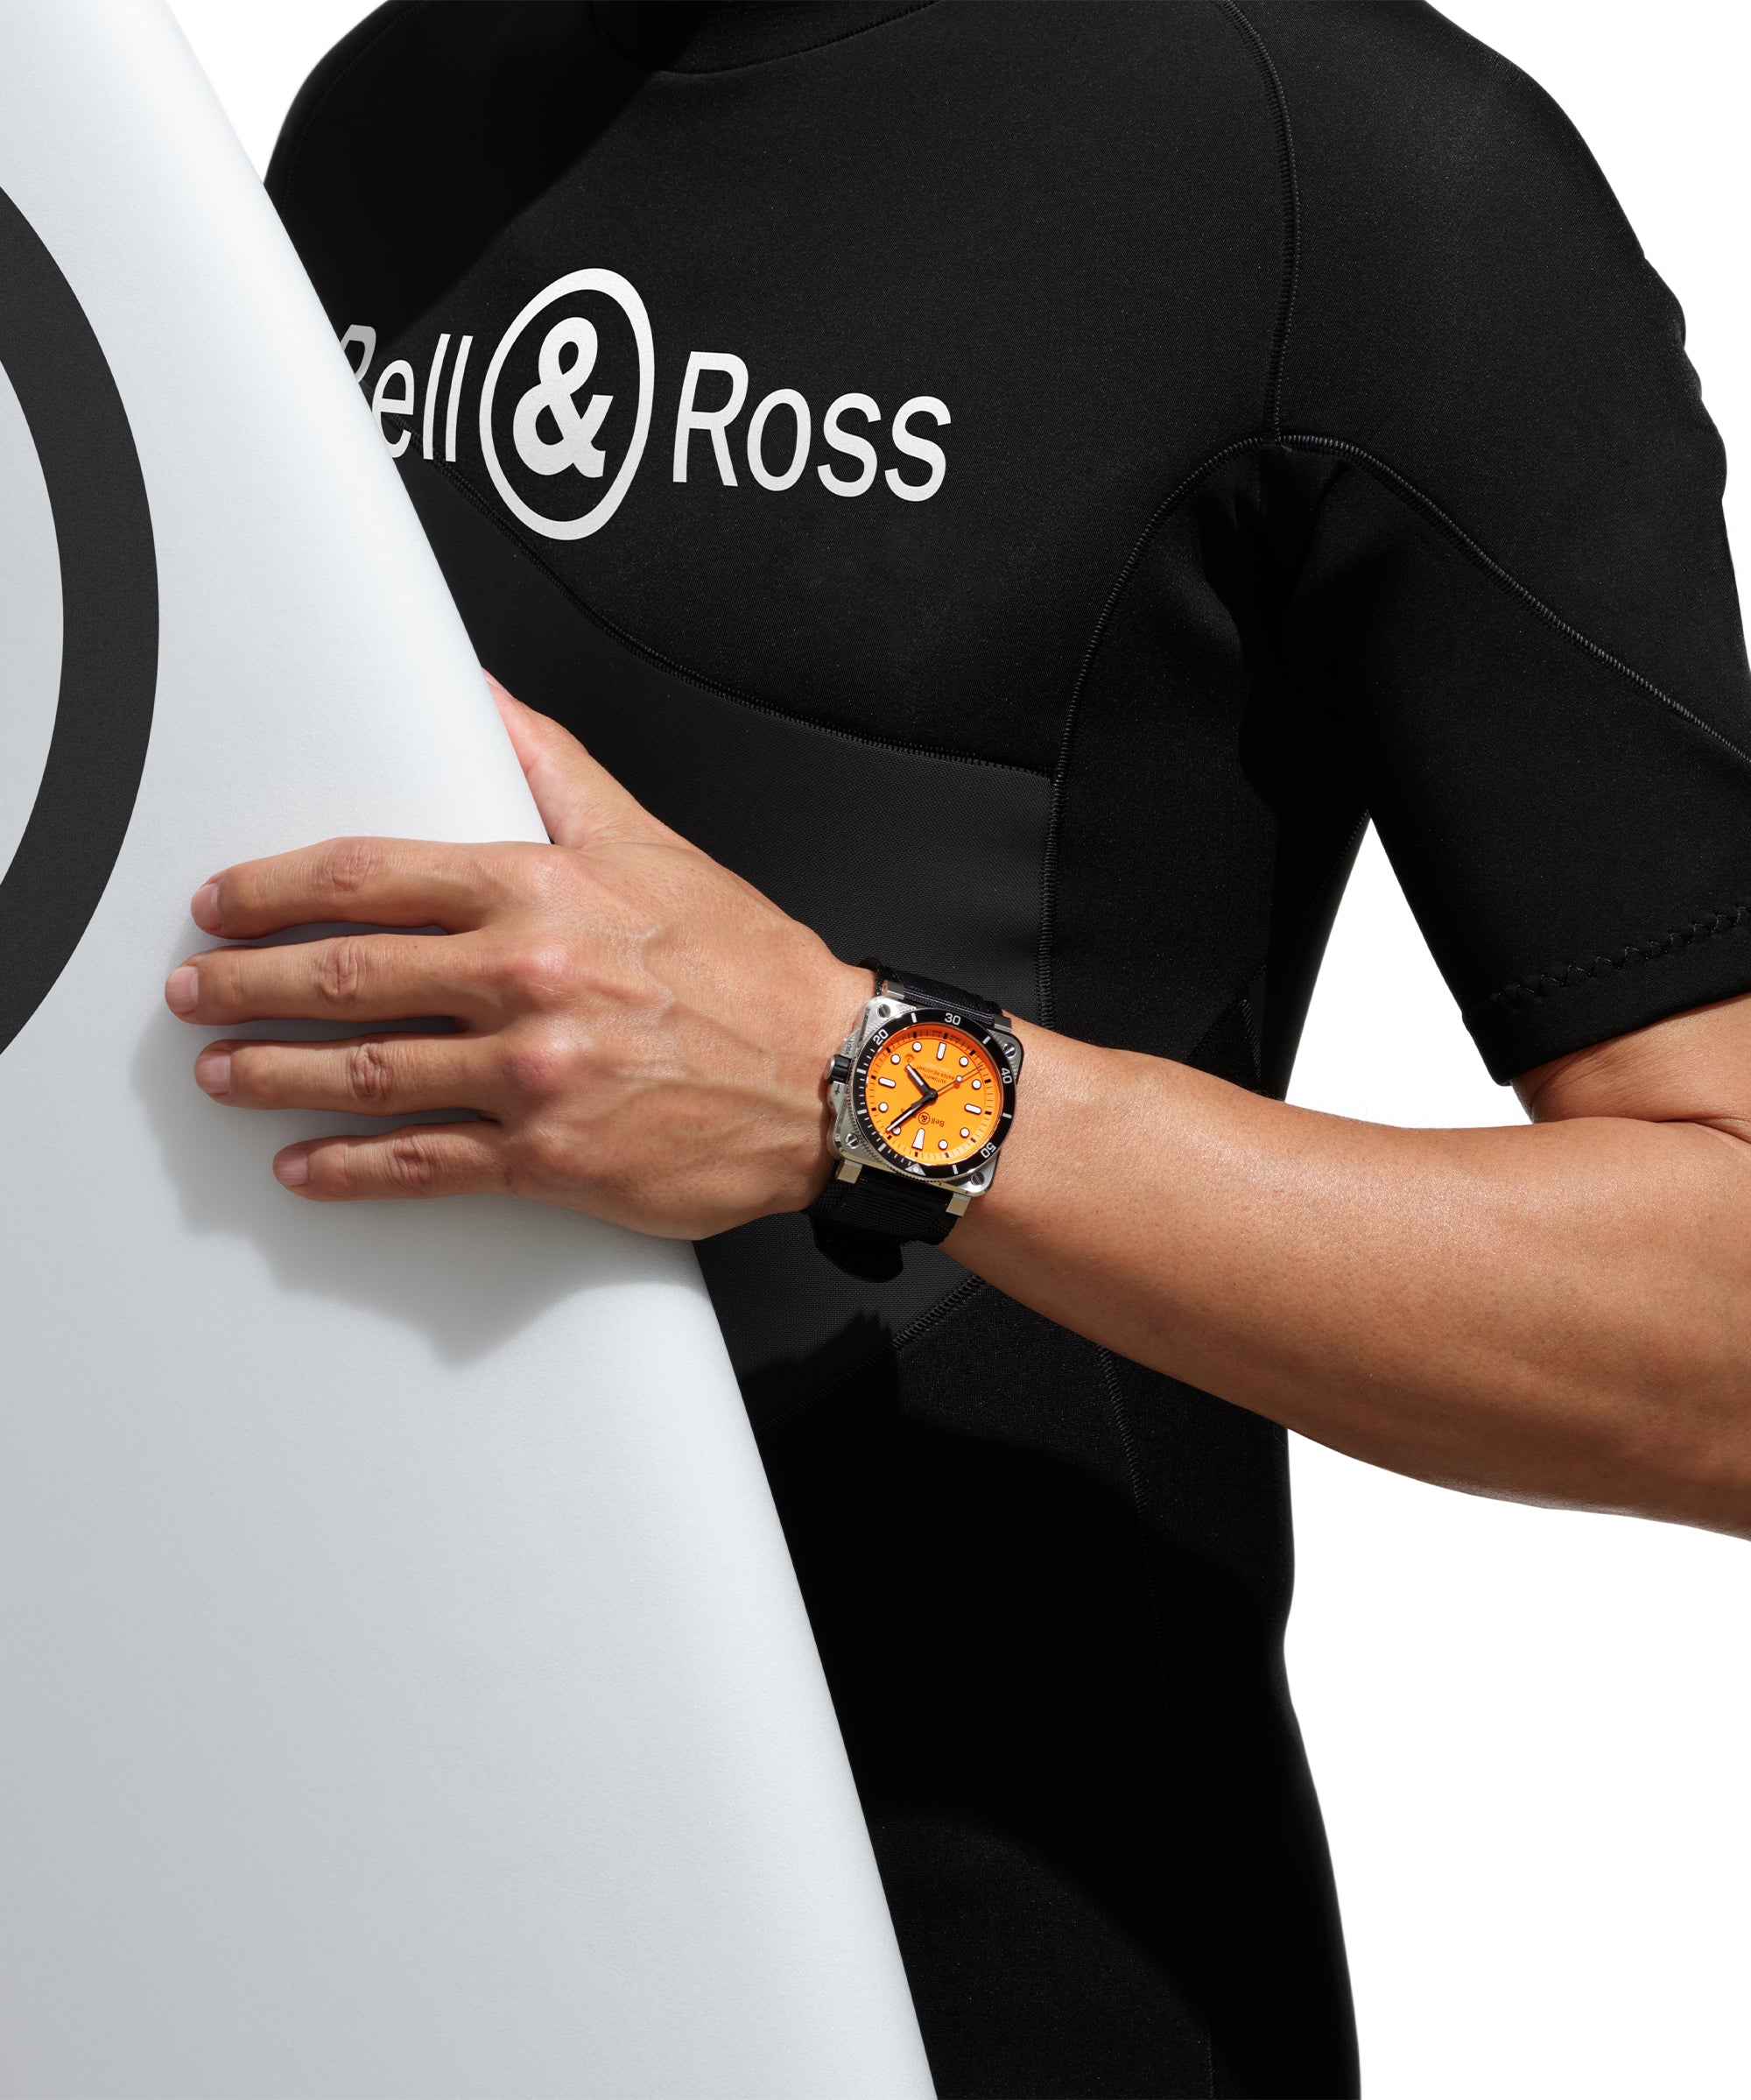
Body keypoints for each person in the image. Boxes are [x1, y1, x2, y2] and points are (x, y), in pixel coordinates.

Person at [165, 4, 1751, 2091]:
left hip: (995, 1979)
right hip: (326, 1909)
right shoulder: (387, 117)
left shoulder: (1352, 171)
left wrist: (862, 1088)